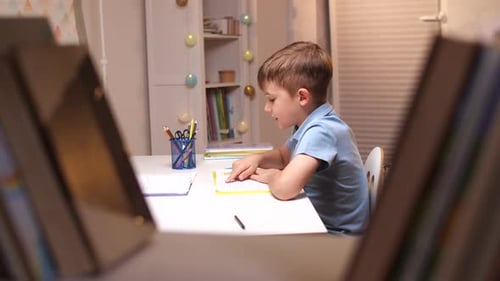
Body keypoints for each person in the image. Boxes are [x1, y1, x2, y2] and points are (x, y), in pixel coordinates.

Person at [226, 41, 369, 235]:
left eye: (271, 99)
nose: (267, 108)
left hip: (338, 239)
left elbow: (285, 189)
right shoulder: (311, 122)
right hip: (325, 227)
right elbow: (284, 157)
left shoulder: (322, 131)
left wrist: (273, 177)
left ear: (302, 97)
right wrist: (257, 159)